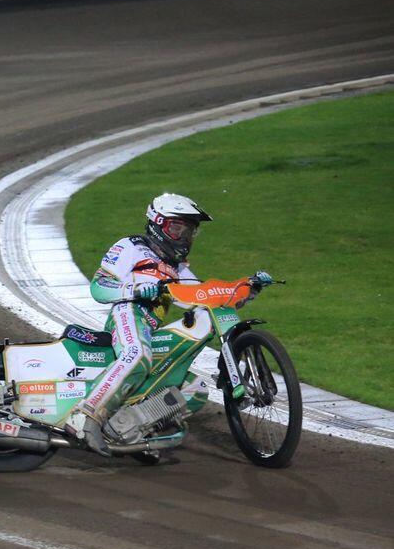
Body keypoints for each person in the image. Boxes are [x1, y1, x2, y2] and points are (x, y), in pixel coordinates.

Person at [63, 193, 272, 455]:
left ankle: (130, 430)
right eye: (177, 229)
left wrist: (247, 289)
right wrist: (135, 290)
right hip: (129, 312)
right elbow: (99, 287)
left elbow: (204, 298)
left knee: (195, 389)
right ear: (157, 224)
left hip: (151, 330)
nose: (184, 238)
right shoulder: (131, 246)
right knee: (137, 353)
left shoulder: (179, 269)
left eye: (189, 231)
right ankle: (84, 416)